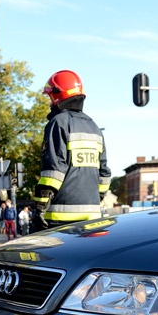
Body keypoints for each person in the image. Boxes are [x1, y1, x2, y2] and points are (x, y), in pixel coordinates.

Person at [32, 70, 111, 230]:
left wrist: (39, 206)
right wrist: (96, 198)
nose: (50, 102)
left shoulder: (58, 123)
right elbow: (104, 174)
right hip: (92, 217)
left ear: (57, 95)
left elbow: (53, 170)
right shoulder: (94, 127)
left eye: (50, 97)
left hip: (60, 218)